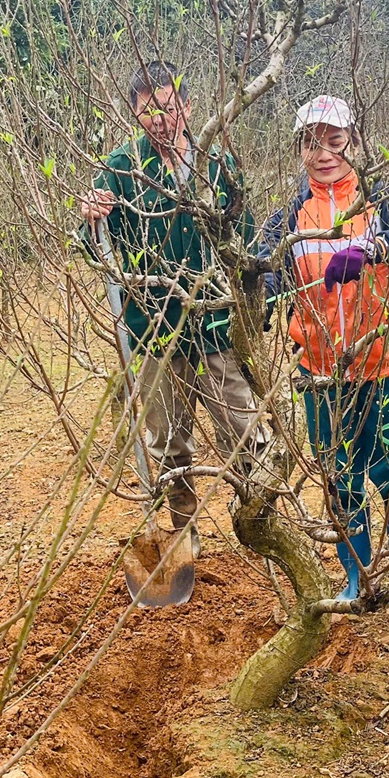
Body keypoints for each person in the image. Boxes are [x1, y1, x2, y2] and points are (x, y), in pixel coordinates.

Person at [79, 60, 267, 550]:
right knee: (169, 443)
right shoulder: (120, 169)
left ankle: (261, 524)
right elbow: (94, 245)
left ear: (185, 104)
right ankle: (185, 534)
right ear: (135, 115)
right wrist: (91, 218)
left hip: (216, 324)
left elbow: (243, 242)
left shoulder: (218, 163)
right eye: (148, 111)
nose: (160, 119)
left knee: (244, 431)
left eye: (168, 106)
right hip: (155, 331)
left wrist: (252, 308)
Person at [258, 95, 389, 621]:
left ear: (353, 141)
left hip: (384, 363)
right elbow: (263, 269)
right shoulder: (288, 216)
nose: (325, 153)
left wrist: (372, 251)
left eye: (336, 141)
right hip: (319, 373)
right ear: (299, 148)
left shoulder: (382, 199)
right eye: (313, 142)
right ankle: (357, 573)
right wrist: (261, 298)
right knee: (340, 477)